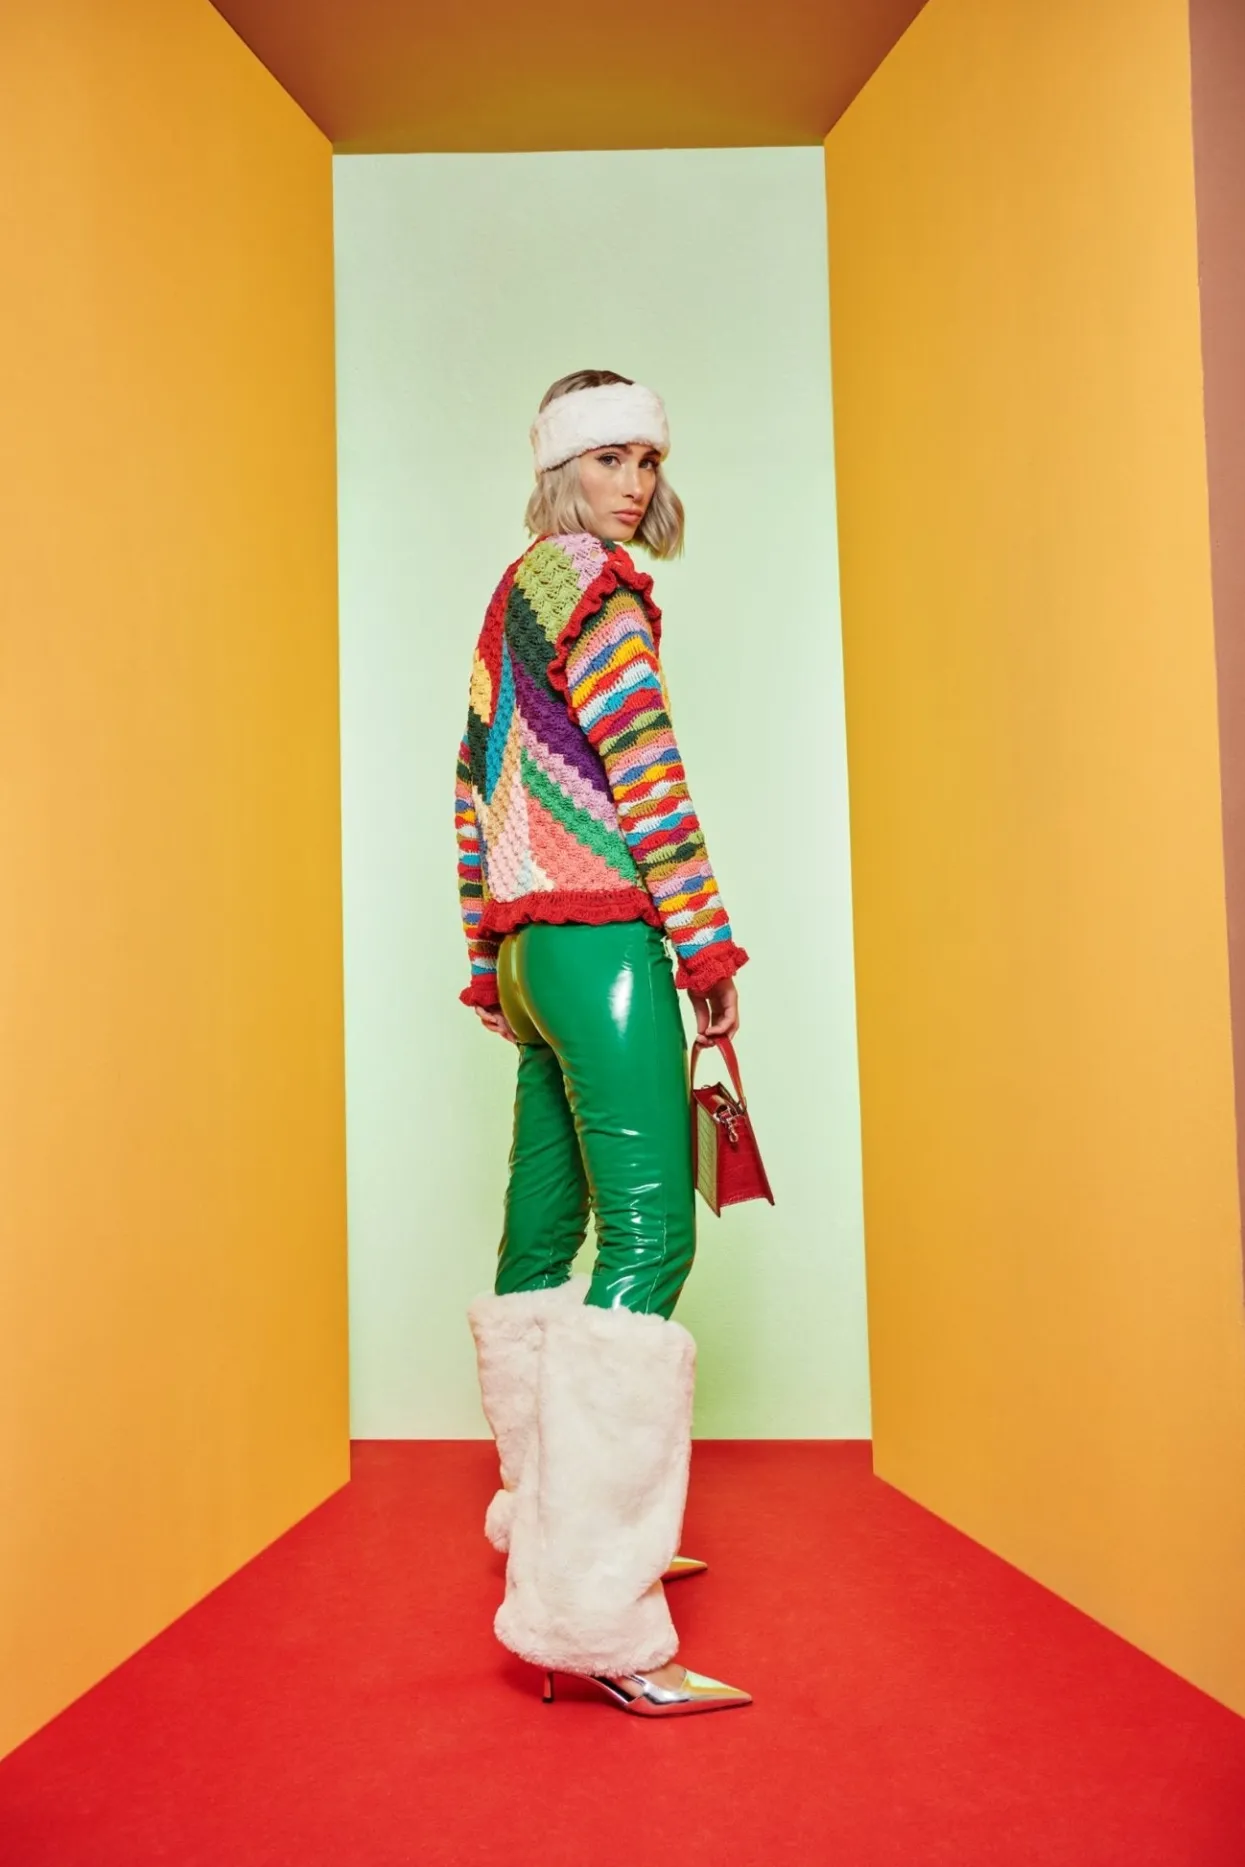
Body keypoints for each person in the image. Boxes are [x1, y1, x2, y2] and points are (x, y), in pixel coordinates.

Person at [456, 369, 752, 1718]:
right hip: (604, 938)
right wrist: (705, 949)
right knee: (651, 1242)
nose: (632, 485)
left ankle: (547, 1519)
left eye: (646, 461)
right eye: (608, 459)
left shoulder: (512, 595)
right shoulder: (602, 590)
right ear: (560, 468)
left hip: (532, 953)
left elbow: (473, 788)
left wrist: (491, 958)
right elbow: (648, 777)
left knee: (540, 1239)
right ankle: (591, 1610)